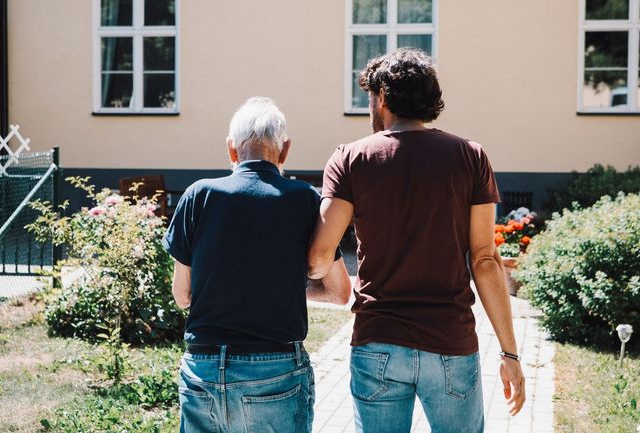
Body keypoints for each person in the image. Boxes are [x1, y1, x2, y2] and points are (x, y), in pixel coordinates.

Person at [307, 49, 526, 433]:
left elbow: (319, 257)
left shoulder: (350, 158)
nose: (370, 109)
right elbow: (486, 260)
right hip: (450, 344)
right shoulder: (470, 156)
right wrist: (509, 352)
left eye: (371, 99)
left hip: (378, 344)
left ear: (385, 98)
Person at [163, 97, 351, 433]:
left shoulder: (197, 195)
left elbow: (182, 295)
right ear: (285, 150)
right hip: (274, 370)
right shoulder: (304, 199)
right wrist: (279, 285)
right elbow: (339, 293)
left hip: (202, 370)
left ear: (231, 150)